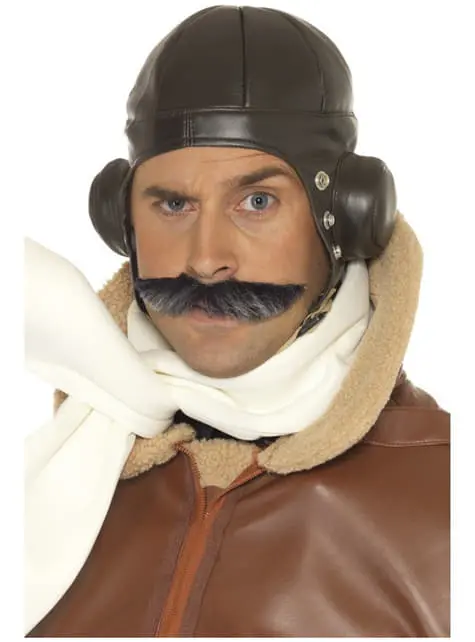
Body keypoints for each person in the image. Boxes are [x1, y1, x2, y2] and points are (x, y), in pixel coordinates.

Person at [24, 5, 450, 637]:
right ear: (122, 222)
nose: (205, 260)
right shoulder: (53, 474)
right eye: (173, 204)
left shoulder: (446, 498)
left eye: (257, 201)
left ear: (348, 216)